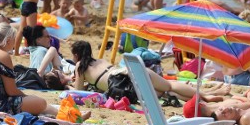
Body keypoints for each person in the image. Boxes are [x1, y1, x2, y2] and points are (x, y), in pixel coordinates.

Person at [0, 23, 60, 117]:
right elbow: (12, 91)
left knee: (37, 103)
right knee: (41, 103)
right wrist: (26, 97)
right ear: (8, 40)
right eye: (14, 39)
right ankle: (61, 114)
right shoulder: (2, 55)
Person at [70, 40, 199, 101]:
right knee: (169, 86)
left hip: (121, 84)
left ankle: (200, 100)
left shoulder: (80, 66)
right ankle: (204, 97)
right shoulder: (100, 60)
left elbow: (78, 92)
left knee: (164, 93)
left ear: (76, 55)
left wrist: (69, 86)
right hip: (128, 72)